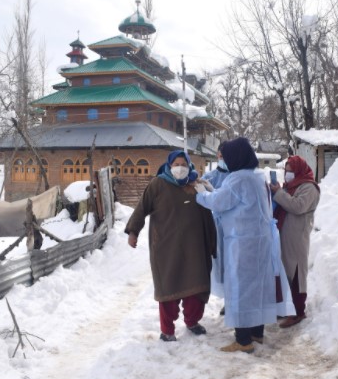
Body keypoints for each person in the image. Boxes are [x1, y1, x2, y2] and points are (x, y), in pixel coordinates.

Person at [195, 137, 295, 353]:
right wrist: (211, 189)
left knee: (240, 289)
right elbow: (231, 198)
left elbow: (218, 202)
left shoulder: (237, 179)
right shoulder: (257, 176)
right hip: (261, 242)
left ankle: (243, 340)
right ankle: (257, 333)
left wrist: (200, 192)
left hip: (242, 244)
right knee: (258, 288)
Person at [125, 150, 217, 342]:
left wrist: (212, 243)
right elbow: (142, 208)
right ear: (169, 166)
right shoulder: (157, 184)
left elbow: (208, 216)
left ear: (190, 165)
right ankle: (167, 330)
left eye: (183, 164)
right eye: (176, 164)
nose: (180, 168)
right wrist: (133, 231)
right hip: (166, 247)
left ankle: (192, 321)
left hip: (195, 248)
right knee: (169, 288)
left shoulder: (196, 185)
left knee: (196, 287)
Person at [269, 155, 320, 328]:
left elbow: (298, 206)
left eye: (291, 171)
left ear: (299, 170)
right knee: (284, 272)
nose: (288, 174)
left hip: (297, 238)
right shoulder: (290, 186)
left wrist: (279, 193)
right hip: (284, 236)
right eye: (286, 170)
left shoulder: (309, 187)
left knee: (296, 274)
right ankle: (285, 308)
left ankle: (298, 312)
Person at [201, 142, 230, 312]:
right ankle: (227, 298)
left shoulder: (237, 177)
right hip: (217, 227)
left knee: (234, 262)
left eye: (226, 155)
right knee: (220, 263)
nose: (222, 158)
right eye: (220, 155)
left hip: (235, 226)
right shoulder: (209, 177)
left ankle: (233, 299)